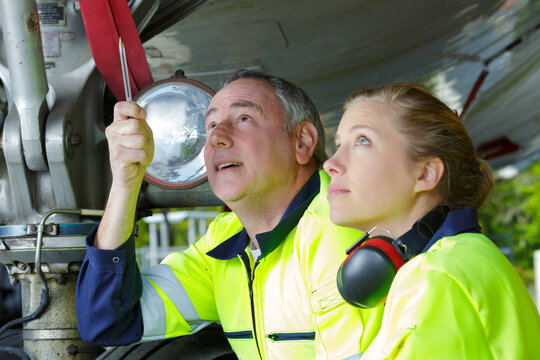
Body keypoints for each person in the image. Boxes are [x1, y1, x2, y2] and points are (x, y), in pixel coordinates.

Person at [76, 69, 384, 359]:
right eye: (210, 125)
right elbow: (106, 321)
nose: (216, 137)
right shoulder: (224, 242)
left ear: (302, 142)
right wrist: (125, 185)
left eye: (244, 118)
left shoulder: (343, 227)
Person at [323, 81, 540, 359]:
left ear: (425, 174)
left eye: (362, 140)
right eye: (339, 145)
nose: (331, 163)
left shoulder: (435, 279)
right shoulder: (465, 255)